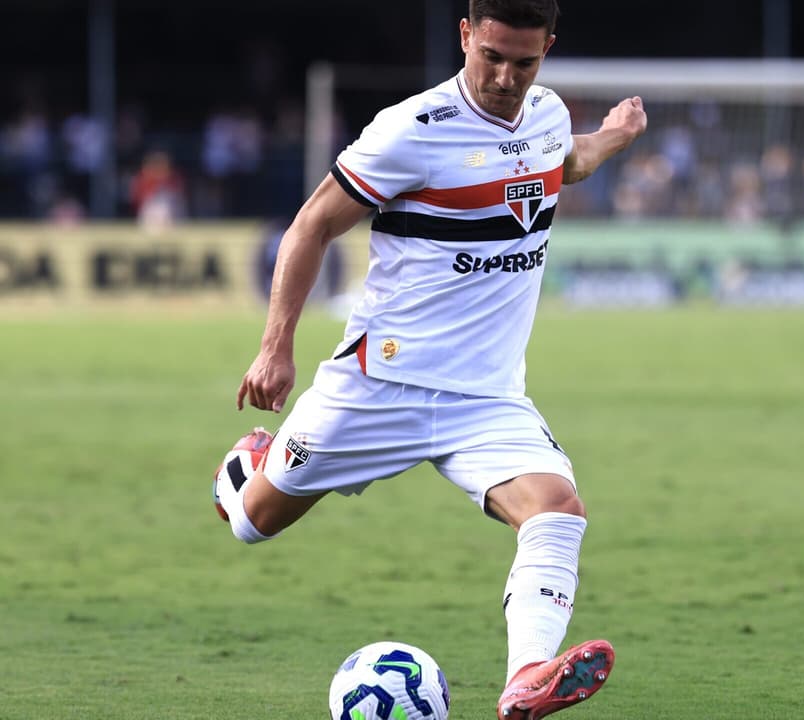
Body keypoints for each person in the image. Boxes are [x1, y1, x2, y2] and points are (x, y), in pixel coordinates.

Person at [210, 2, 647, 718]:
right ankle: (245, 467)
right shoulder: (411, 129)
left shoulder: (546, 115)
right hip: (378, 384)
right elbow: (312, 225)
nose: (505, 77)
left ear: (547, 50)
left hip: (486, 397)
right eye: (492, 57)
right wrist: (274, 347)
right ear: (466, 35)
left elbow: (566, 162)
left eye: (524, 62)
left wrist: (615, 135)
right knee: (254, 519)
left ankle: (526, 679)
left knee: (558, 509)